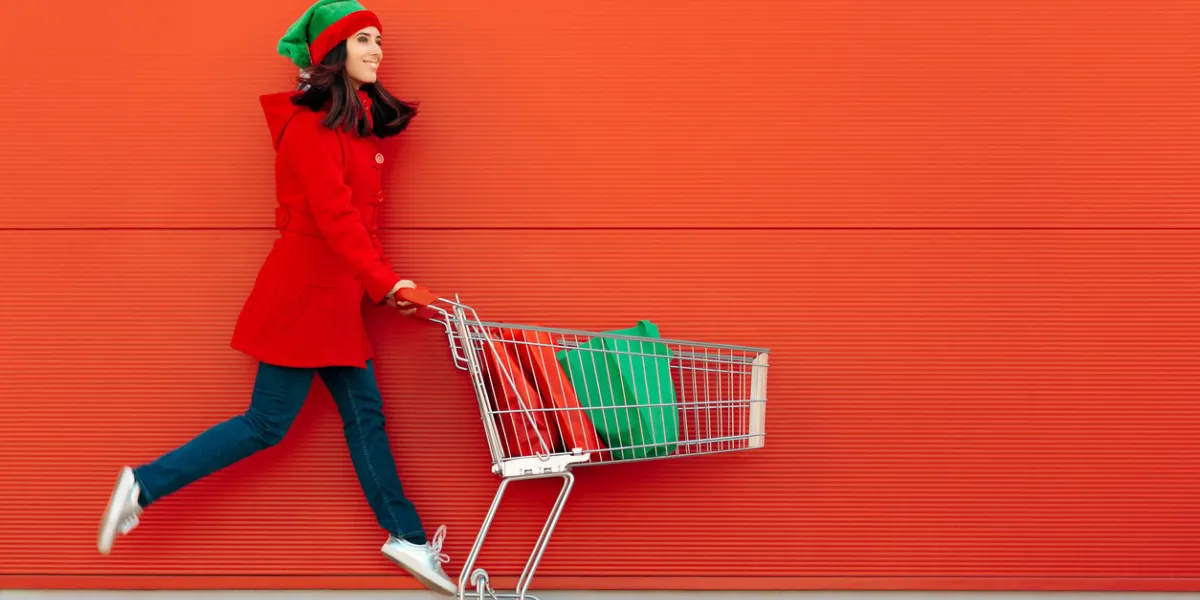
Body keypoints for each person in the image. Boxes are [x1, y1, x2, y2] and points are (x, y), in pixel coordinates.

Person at [95, 0, 457, 595]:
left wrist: (386, 284)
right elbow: (335, 218)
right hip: (305, 295)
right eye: (363, 40)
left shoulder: (346, 123)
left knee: (363, 417)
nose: (376, 51)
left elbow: (359, 227)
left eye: (378, 41)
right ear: (333, 52)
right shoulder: (311, 125)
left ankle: (408, 538)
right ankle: (144, 485)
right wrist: (385, 281)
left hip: (334, 296)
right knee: (267, 423)